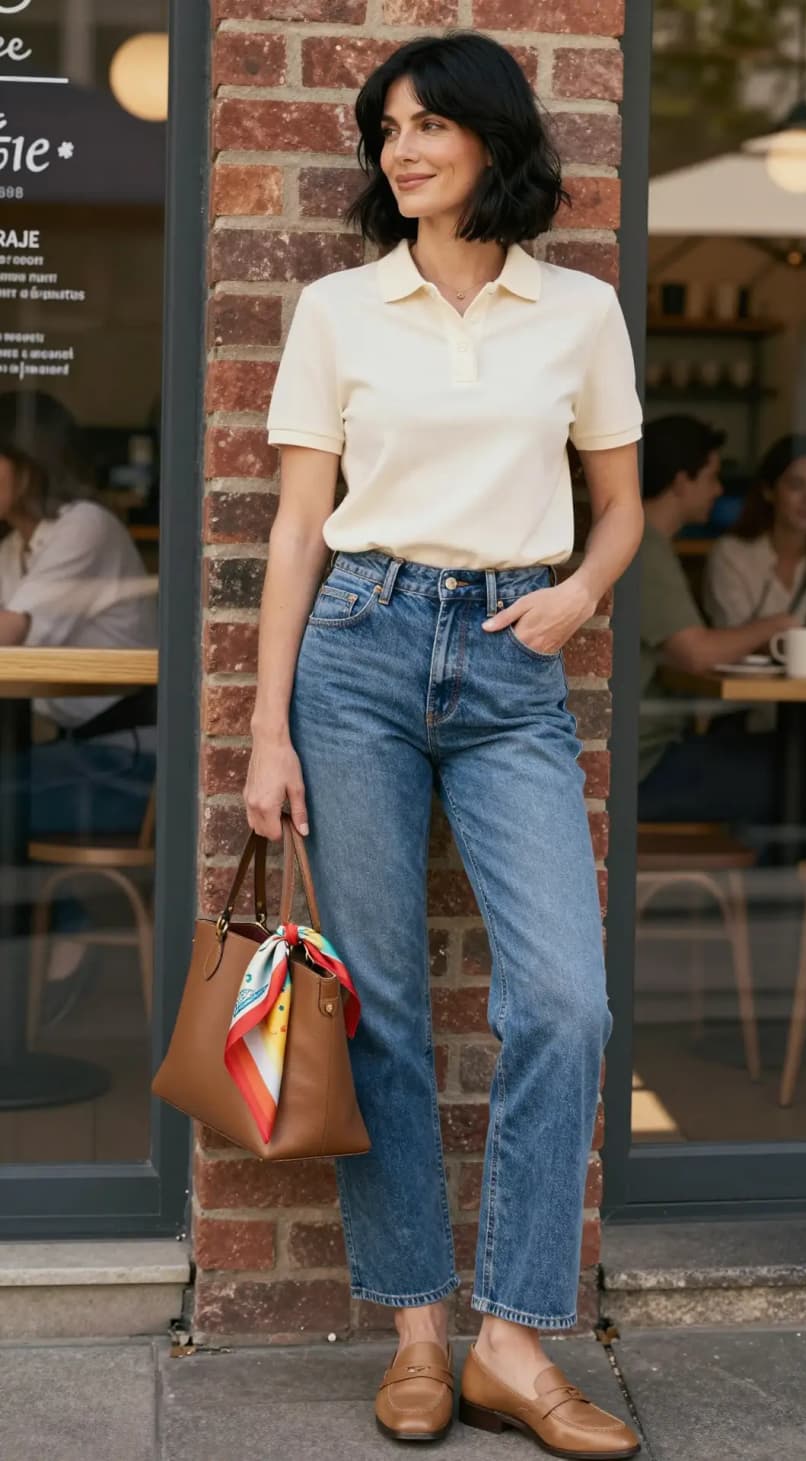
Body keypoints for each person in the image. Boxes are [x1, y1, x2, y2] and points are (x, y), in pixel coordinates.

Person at [244, 32, 644, 1458]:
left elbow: (621, 506)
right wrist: (263, 730)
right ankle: (417, 1330)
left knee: (565, 1004)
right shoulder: (343, 311)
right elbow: (298, 526)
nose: (401, 149)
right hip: (356, 647)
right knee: (386, 1009)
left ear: (492, 138)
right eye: (385, 128)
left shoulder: (577, 314)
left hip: (509, 669)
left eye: (428, 125)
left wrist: (584, 595)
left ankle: (514, 1343)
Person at [0, 390, 157, 1019]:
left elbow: (8, 633)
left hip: (129, 768)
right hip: (73, 758)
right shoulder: (16, 546)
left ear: (28, 464)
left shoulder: (83, 525)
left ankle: (61, 928)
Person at [637, 415, 806, 828]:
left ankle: (768, 879)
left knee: (802, 778)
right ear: (682, 482)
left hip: (654, 754)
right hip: (646, 768)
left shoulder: (649, 546)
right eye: (712, 476)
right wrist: (777, 624)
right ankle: (782, 884)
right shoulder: (645, 549)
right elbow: (697, 654)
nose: (720, 490)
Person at [704, 433, 806, 743]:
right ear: (769, 490)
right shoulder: (733, 555)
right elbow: (732, 639)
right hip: (752, 723)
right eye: (797, 485)